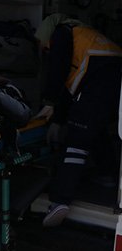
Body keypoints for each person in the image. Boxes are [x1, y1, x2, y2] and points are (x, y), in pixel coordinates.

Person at [38, 17, 122, 227]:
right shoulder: (81, 33)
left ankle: (59, 201)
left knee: (76, 140)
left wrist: (49, 102)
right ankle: (106, 174)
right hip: (114, 79)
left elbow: (58, 71)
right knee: (94, 127)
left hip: (100, 81)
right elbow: (69, 89)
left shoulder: (61, 33)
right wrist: (58, 119)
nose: (45, 49)